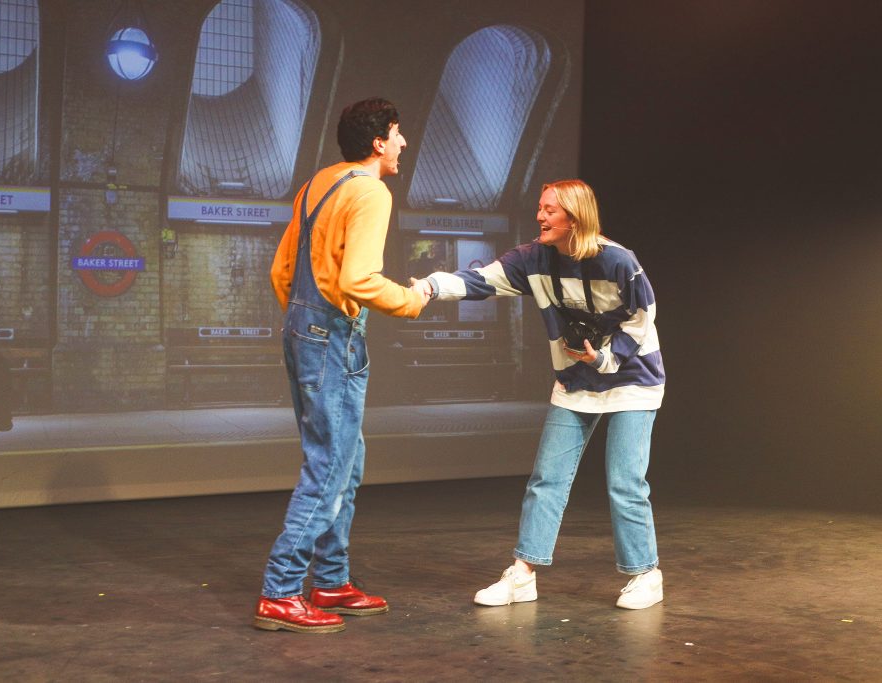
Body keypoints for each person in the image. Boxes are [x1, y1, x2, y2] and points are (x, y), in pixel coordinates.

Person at [414, 179, 666, 610]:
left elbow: (642, 319)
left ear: (575, 217)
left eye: (550, 210)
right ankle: (522, 575)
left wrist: (604, 359)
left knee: (625, 481)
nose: (540, 217)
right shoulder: (533, 258)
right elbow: (481, 279)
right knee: (546, 479)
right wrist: (431, 287)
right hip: (574, 381)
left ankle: (645, 575)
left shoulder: (619, 261)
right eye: (540, 208)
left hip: (632, 380)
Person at [255, 98, 430, 633]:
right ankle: (280, 591)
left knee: (345, 462)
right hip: (332, 335)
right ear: (379, 142)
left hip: (304, 329)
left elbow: (281, 270)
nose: (403, 143)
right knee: (330, 465)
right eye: (397, 135)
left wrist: (306, 324)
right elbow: (358, 280)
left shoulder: (318, 183)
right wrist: (412, 298)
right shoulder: (371, 190)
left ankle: (330, 580)